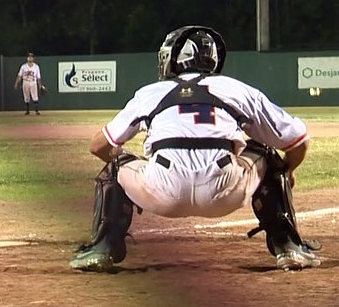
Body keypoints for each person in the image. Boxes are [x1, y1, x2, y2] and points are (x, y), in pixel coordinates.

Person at [71, 25, 319, 272]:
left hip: (162, 191)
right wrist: (287, 171)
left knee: (115, 165)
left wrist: (122, 160)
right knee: (265, 152)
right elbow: (298, 140)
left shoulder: (150, 92)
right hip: (224, 190)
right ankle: (289, 249)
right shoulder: (236, 89)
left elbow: (99, 145)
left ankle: (101, 248)